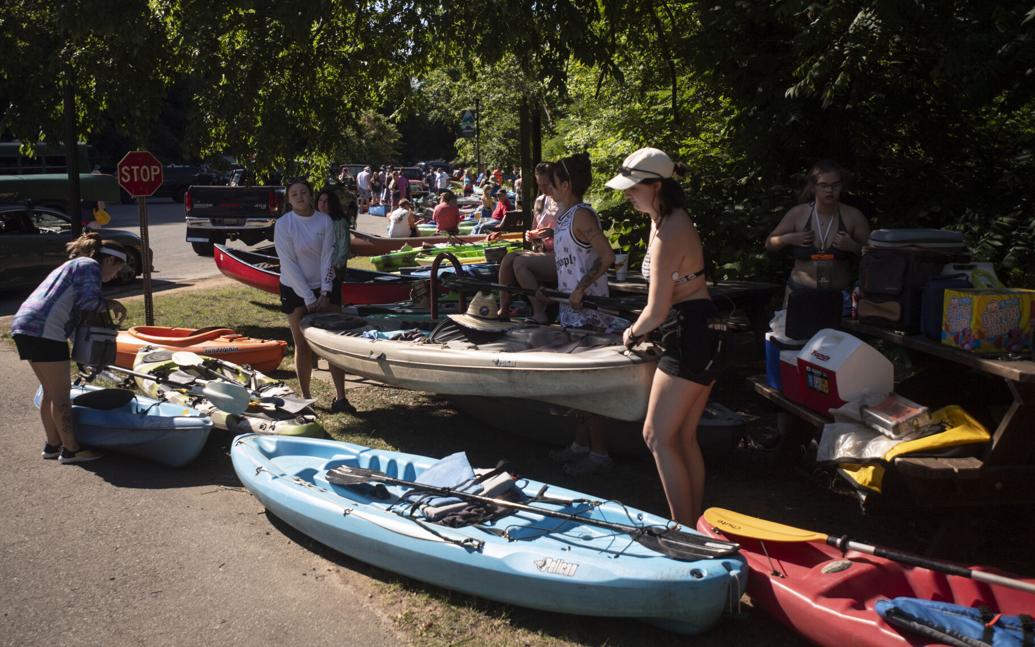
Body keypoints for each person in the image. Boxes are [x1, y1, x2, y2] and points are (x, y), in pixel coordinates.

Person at [606, 147, 721, 524]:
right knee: (682, 438)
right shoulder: (662, 220)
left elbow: (655, 310)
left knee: (656, 436)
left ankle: (683, 530)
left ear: (656, 185)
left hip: (689, 332)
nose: (626, 194)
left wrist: (631, 333)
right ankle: (697, 527)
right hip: (700, 329)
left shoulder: (669, 231)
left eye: (633, 187)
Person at [10, 232, 129, 464]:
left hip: (26, 326)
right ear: (109, 260)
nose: (113, 277)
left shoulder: (72, 264)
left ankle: (53, 445)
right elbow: (89, 302)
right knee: (62, 397)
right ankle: (72, 450)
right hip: (46, 331)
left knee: (49, 392)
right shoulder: (89, 266)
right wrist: (111, 304)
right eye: (116, 270)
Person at [545, 153, 618, 476]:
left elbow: (607, 256)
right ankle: (579, 445)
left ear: (566, 184)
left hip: (589, 314)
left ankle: (599, 453)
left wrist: (582, 289)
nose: (549, 188)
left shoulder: (582, 216)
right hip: (569, 313)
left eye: (554, 182)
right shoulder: (563, 217)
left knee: (589, 388)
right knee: (576, 386)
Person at [275, 179, 349, 411]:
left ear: (311, 195)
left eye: (304, 192)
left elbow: (328, 255)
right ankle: (306, 398)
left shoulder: (324, 220)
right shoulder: (284, 224)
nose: (299, 197)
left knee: (333, 343)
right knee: (302, 344)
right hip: (294, 288)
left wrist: (326, 291)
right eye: (294, 194)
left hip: (324, 286)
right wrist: (308, 298)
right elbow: (289, 263)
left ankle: (341, 398)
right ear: (289, 199)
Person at [765, 160, 870, 297]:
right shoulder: (798, 214)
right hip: (799, 291)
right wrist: (789, 238)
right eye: (823, 185)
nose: (829, 190)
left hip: (839, 295)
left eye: (835, 185)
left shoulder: (853, 216)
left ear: (841, 186)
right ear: (813, 187)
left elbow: (872, 255)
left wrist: (853, 246)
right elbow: (769, 243)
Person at [496, 161, 558, 320]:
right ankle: (504, 308)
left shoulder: (564, 200)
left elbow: (573, 233)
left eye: (547, 184)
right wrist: (530, 235)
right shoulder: (540, 201)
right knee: (508, 258)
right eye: (540, 184)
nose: (543, 189)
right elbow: (533, 229)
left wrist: (553, 233)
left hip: (561, 255)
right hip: (543, 252)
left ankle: (539, 311)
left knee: (520, 263)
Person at [314, 188, 356, 413]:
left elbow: (342, 250)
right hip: (314, 279)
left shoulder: (338, 222)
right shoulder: (312, 221)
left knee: (332, 322)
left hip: (332, 277)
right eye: (319, 200)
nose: (322, 204)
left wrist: (333, 270)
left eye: (326, 201)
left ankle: (341, 394)